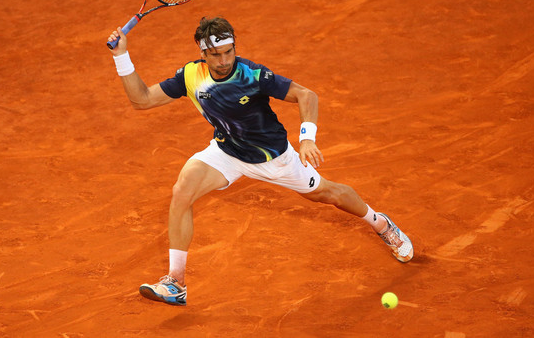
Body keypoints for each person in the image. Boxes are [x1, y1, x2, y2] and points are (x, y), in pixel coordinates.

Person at [106, 17, 413, 306]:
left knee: (328, 194)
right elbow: (142, 99)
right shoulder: (190, 75)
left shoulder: (252, 74)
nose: (225, 61)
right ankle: (176, 283)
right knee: (182, 190)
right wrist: (122, 55)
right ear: (202, 53)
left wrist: (307, 137)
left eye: (229, 52)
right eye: (216, 55)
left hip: (274, 159)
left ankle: (381, 223)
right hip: (226, 153)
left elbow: (307, 96)